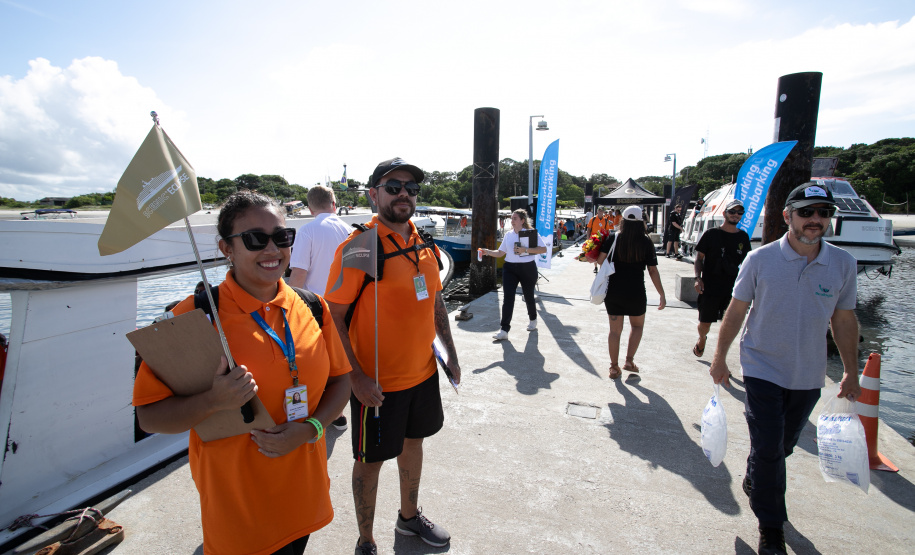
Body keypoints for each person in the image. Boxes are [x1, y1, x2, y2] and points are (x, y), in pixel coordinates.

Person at [133, 190, 352, 555]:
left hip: (303, 496)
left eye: (282, 237)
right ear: (226, 249)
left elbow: (341, 380)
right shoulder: (195, 317)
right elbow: (150, 417)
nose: (272, 249)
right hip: (238, 512)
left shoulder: (313, 307)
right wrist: (213, 400)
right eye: (255, 239)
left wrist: (311, 429)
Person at [708, 182, 860, 555]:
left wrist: (851, 371)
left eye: (823, 212)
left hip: (808, 374)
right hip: (761, 366)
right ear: (786, 216)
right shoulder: (760, 260)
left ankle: (758, 474)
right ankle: (771, 528)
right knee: (771, 450)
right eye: (806, 212)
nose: (815, 220)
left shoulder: (843, 263)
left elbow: (843, 321)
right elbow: (736, 311)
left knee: (782, 446)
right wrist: (719, 356)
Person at [324, 158, 461, 555]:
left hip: (423, 374)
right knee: (371, 461)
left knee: (414, 444)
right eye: (394, 186)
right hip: (377, 384)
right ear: (374, 193)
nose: (404, 194)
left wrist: (450, 353)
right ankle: (366, 540)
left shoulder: (424, 242)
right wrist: (355, 378)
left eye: (411, 188)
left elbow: (435, 301)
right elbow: (333, 314)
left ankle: (409, 517)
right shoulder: (360, 246)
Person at [289, 185, 353, 431]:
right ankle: (339, 411)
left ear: (309, 207)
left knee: (316, 362)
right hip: (347, 307)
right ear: (334, 203)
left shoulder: (307, 231)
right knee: (342, 359)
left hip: (316, 308)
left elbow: (298, 276)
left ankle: (325, 413)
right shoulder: (350, 231)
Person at [595, 206, 666, 379]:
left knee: (614, 331)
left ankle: (613, 367)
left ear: (623, 221)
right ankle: (629, 361)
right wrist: (662, 294)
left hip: (614, 291)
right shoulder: (646, 241)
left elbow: (599, 260)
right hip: (636, 291)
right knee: (637, 326)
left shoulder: (613, 238)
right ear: (641, 221)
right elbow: (653, 271)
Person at [692, 199, 751, 357]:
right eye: (732, 212)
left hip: (733, 288)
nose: (735, 215)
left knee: (731, 325)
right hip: (710, 286)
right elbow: (699, 258)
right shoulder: (712, 234)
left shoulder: (743, 238)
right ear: (724, 213)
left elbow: (748, 264)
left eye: (739, 213)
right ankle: (702, 338)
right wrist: (698, 278)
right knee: (705, 323)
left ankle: (720, 356)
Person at [480, 208, 548, 341]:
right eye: (511, 218)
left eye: (515, 218)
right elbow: (500, 253)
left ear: (522, 220)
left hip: (527, 268)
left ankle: (533, 319)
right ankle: (504, 329)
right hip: (510, 268)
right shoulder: (508, 235)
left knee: (528, 296)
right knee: (508, 298)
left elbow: (543, 249)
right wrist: (487, 252)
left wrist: (525, 250)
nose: (512, 221)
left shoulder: (530, 233)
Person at [586, 207, 608, 273]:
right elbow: (589, 229)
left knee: (602, 253)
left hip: (602, 240)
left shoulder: (605, 220)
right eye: (599, 210)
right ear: (597, 211)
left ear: (603, 212)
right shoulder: (593, 219)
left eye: (602, 211)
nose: (600, 212)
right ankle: (595, 267)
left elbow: (607, 230)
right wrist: (588, 238)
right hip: (594, 239)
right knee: (594, 254)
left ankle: (601, 268)